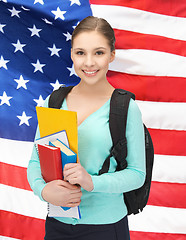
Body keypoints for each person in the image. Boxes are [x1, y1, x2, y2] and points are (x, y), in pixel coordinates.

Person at [27, 16, 146, 240]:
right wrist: (42, 190)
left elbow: (137, 174)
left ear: (112, 55)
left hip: (106, 227)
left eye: (99, 53)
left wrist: (92, 182)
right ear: (72, 54)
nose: (89, 62)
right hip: (56, 224)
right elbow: (35, 161)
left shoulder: (125, 108)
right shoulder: (53, 102)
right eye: (81, 53)